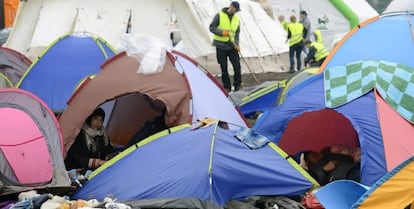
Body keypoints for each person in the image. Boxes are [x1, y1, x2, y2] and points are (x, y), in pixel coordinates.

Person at [65, 108, 116, 172]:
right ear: (90, 119)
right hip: (76, 169)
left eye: (101, 120)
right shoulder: (80, 134)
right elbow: (73, 156)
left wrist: (109, 156)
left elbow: (108, 150)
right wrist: (96, 162)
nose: (98, 122)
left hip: (94, 170)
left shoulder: (103, 135)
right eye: (95, 118)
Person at [209, 1, 242, 92]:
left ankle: (237, 86)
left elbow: (237, 33)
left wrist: (237, 43)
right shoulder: (219, 15)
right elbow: (212, 27)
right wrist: (221, 32)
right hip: (220, 46)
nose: (236, 12)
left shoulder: (236, 19)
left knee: (237, 66)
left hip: (232, 46)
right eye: (235, 10)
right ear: (231, 7)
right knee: (224, 67)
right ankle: (227, 87)